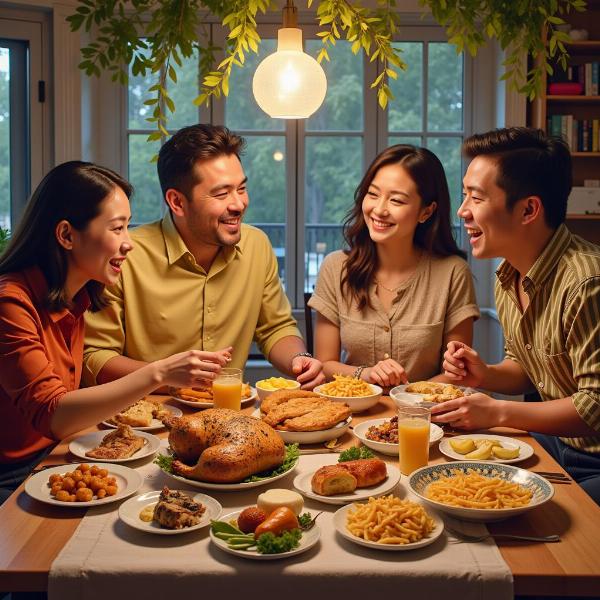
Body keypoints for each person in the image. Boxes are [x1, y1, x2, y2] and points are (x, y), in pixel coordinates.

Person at [0, 161, 230, 504]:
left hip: (56, 456)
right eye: (117, 228)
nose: (129, 243)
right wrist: (160, 372)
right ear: (66, 235)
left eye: (128, 227)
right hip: (13, 476)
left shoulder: (77, 297)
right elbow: (55, 415)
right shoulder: (10, 303)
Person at [83, 124, 324, 389]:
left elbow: (276, 328)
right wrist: (165, 374)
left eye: (241, 189)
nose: (238, 204)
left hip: (229, 417)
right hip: (147, 420)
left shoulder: (257, 245)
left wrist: (299, 359)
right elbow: (95, 357)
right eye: (221, 194)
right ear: (177, 202)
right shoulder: (125, 254)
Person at [433, 126, 600, 504]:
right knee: (463, 487)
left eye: (475, 198)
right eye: (464, 196)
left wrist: (498, 412)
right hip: (558, 446)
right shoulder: (510, 274)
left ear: (528, 209)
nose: (462, 212)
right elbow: (527, 367)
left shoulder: (588, 283)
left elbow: (594, 406)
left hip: (594, 460)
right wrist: (486, 375)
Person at [308, 145, 479, 387]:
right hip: (353, 414)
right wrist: (365, 375)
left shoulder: (453, 273)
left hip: (426, 419)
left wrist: (408, 395)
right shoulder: (336, 267)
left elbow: (457, 373)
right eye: (373, 194)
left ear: (426, 212)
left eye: (397, 200)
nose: (379, 210)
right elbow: (324, 364)